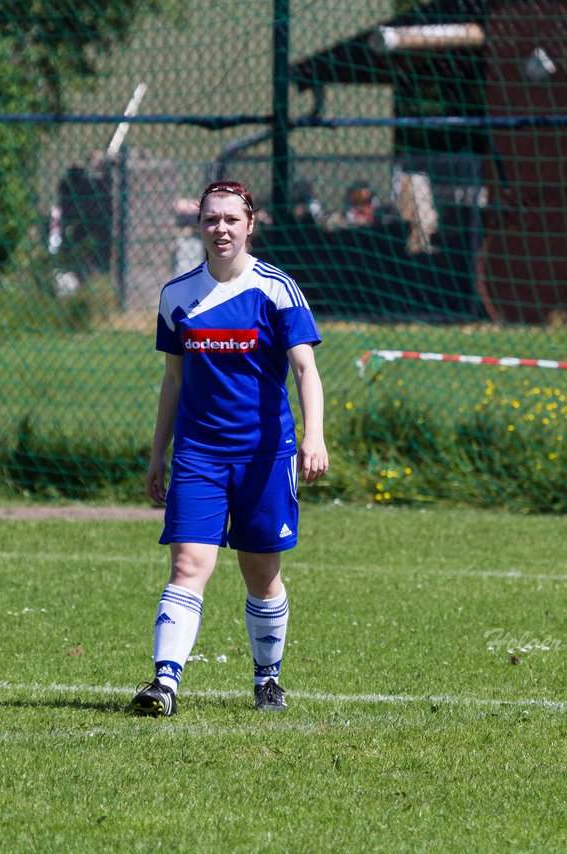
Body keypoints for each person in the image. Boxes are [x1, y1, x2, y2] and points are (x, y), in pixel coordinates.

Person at [132, 180, 329, 717]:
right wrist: (158, 454)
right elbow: (173, 380)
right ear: (199, 225)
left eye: (230, 220)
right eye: (210, 220)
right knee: (188, 567)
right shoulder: (178, 294)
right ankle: (164, 684)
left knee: (261, 574)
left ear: (250, 224)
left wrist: (314, 435)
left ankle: (268, 679)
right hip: (198, 454)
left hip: (265, 456)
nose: (220, 229)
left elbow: (305, 368)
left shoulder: (277, 289)